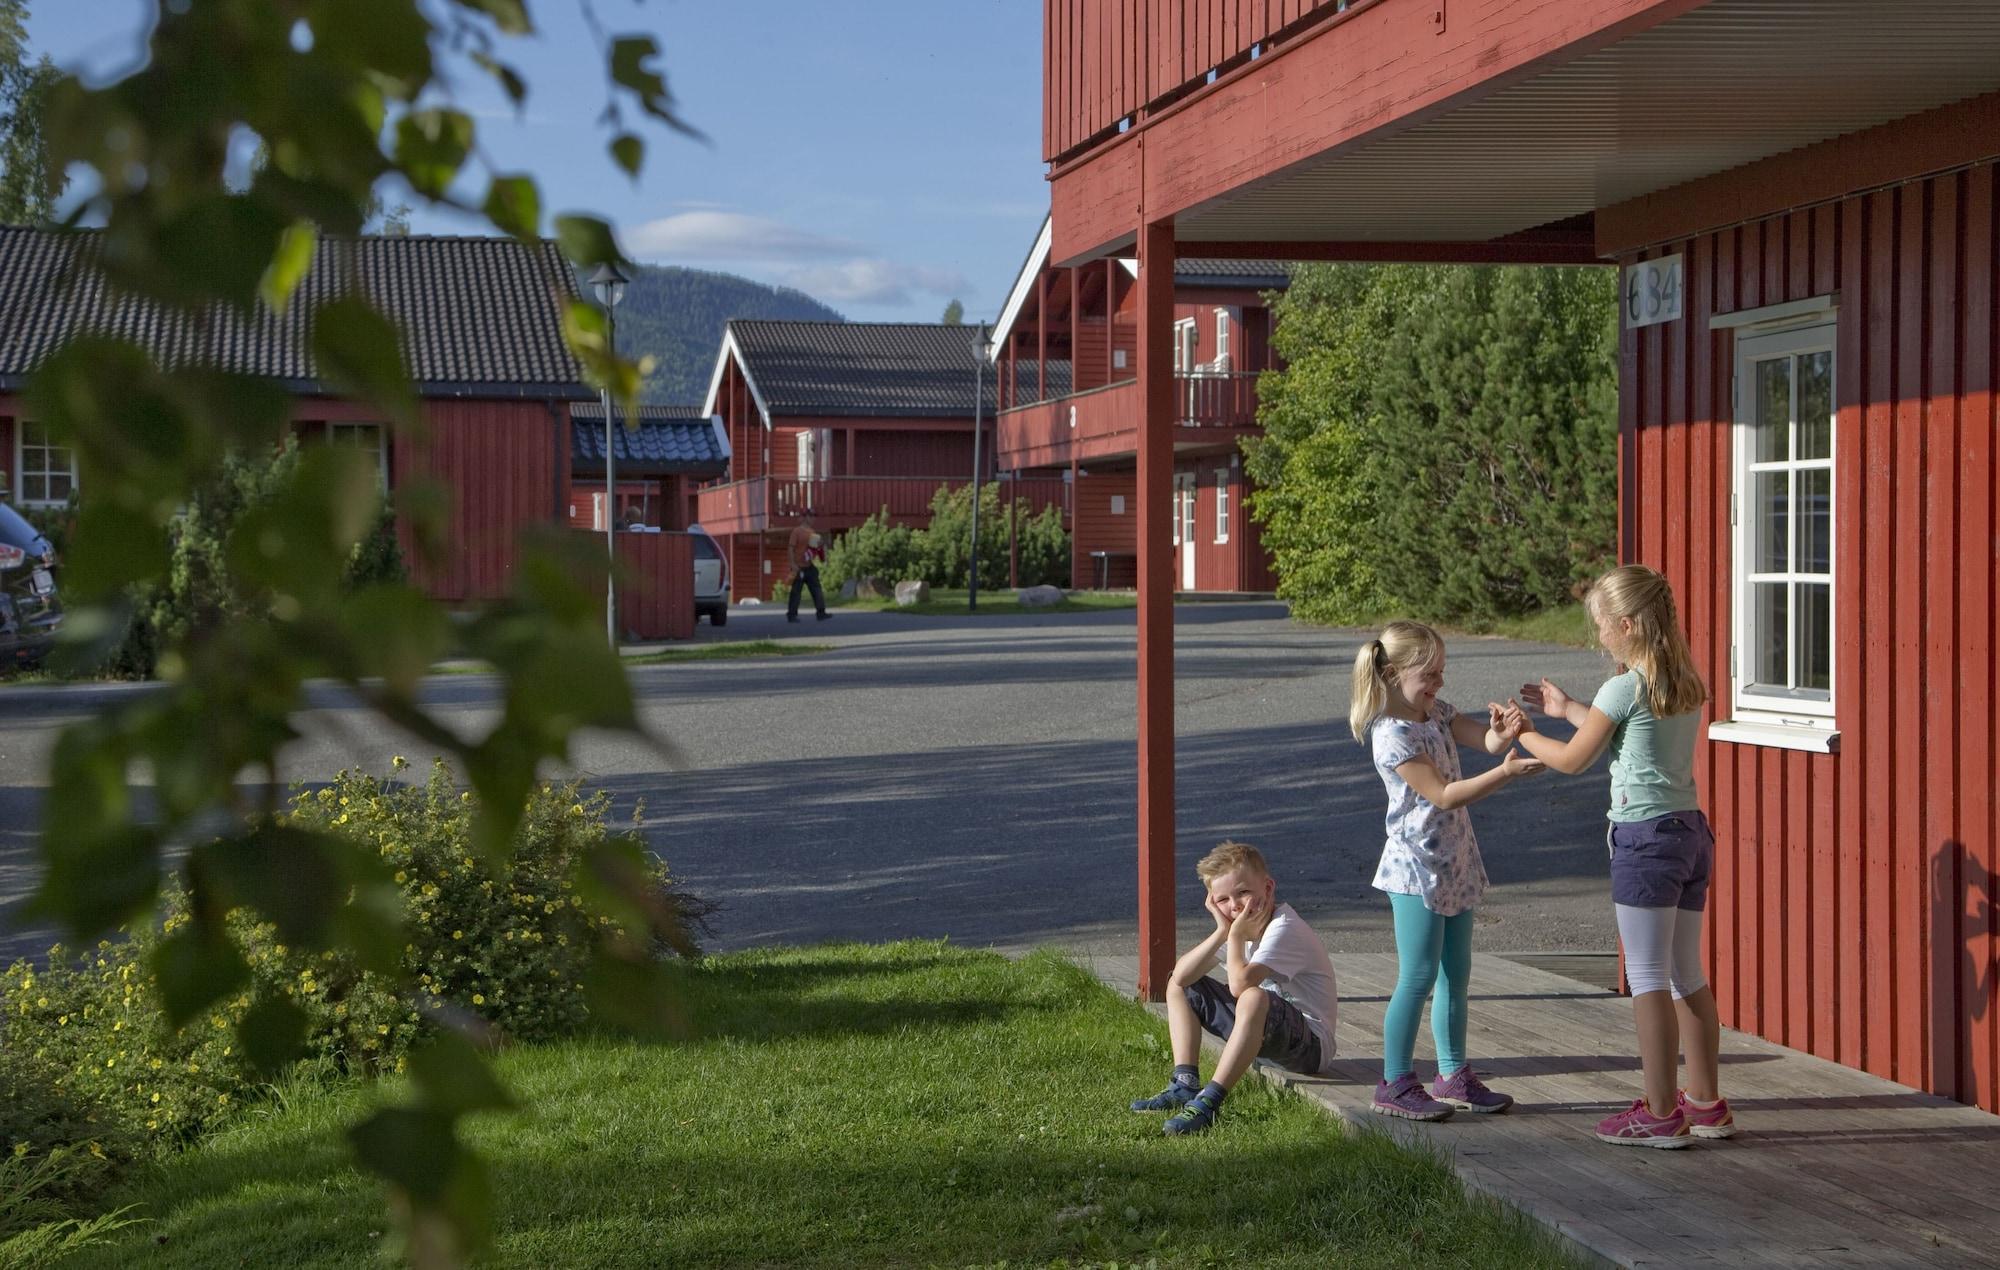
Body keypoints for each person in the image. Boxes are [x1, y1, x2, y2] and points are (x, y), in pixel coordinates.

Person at [1505, 564, 1729, 1148]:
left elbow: (1574, 759)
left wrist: (1523, 732)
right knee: (1686, 973)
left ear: (1627, 624)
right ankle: (1705, 1104)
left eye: (1602, 624)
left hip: (1645, 841)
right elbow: (1622, 732)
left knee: (1648, 976)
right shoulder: (1679, 678)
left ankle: (1660, 1114)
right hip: (1688, 834)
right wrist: (1567, 709)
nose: (1599, 635)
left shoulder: (1624, 687)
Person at [1350, 620, 1543, 1121]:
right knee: (1417, 975)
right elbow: (1443, 794)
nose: (1439, 682)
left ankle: (1453, 1074)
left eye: (1442, 671)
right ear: (1392, 674)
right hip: (1415, 869)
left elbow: (1486, 740)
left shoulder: (1435, 712)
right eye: (1429, 674)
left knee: (1456, 973)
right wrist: (1504, 774)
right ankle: (1394, 1082)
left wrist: (1502, 733)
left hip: (1454, 861)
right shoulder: (1392, 734)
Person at [1127, 840, 1339, 1137]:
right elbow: (1182, 976)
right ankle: (1184, 1084)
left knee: (1252, 996)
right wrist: (1222, 932)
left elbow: (1240, 986)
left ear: (1268, 887)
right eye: (1223, 899)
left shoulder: (1284, 927)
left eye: (1243, 892)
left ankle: (1209, 1103)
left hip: (1311, 1048)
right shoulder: (1238, 927)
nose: (1235, 905)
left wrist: (1235, 935)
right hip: (1263, 1035)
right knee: (1181, 984)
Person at [786, 518, 830, 622]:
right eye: (810, 516)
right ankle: (792, 615)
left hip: (809, 566)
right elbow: (791, 548)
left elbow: (814, 549)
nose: (813, 519)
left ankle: (821, 613)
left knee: (817, 589)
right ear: (805, 518)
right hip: (798, 566)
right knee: (796, 592)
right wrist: (793, 564)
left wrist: (820, 546)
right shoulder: (796, 531)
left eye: (813, 516)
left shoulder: (812, 532)